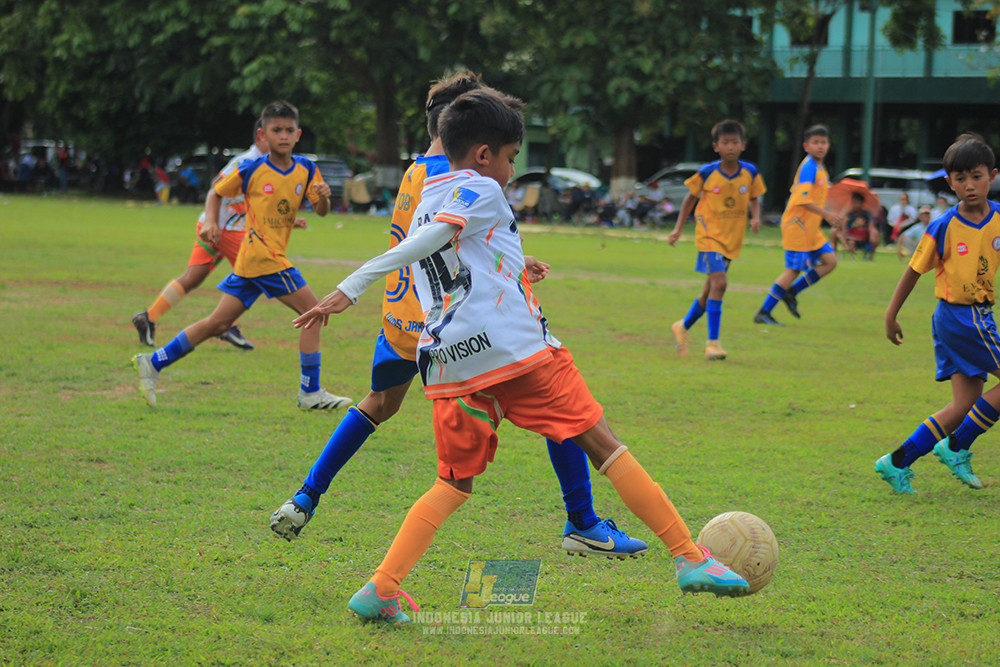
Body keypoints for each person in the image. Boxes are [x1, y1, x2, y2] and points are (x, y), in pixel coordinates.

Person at [294, 88, 750, 623]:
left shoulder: (427, 194)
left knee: (452, 484)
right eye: (512, 158)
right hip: (514, 354)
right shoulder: (482, 186)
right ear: (484, 154)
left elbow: (450, 255)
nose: (512, 170)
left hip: (448, 363)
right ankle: (689, 556)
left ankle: (381, 588)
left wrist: (512, 264)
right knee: (603, 445)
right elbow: (440, 238)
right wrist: (351, 286)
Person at [269, 73, 647, 560]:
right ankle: (583, 521)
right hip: (456, 323)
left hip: (400, 317)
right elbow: (447, 239)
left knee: (378, 403)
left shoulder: (415, 172)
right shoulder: (463, 174)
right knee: (560, 407)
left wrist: (514, 260)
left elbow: (431, 243)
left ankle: (306, 495)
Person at [130, 100, 351, 410]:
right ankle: (310, 392)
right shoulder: (251, 168)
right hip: (265, 258)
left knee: (217, 324)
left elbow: (322, 211)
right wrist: (211, 222)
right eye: (276, 130)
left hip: (251, 261)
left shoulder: (306, 169)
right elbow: (216, 192)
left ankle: (153, 362)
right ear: (263, 134)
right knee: (314, 313)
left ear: (298, 134)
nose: (283, 136)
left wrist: (325, 199)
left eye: (289, 130)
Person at [875, 134, 1000, 494]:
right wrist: (891, 314)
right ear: (949, 183)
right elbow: (913, 270)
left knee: (964, 403)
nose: (969, 185)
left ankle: (896, 461)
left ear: (992, 176)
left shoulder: (997, 218)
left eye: (976, 176)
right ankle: (957, 445)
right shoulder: (943, 225)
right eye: (960, 179)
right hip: (961, 317)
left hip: (973, 316)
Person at [131, 122, 269, 350]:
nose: (281, 141)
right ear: (259, 138)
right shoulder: (247, 161)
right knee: (255, 272)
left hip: (216, 226)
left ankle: (149, 317)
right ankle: (226, 324)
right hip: (223, 229)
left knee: (193, 277)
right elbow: (216, 186)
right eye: (275, 134)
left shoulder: (265, 163)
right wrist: (214, 222)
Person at [667, 119, 766, 360]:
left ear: (743, 145)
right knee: (720, 283)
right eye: (725, 142)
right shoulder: (707, 172)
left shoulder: (750, 172)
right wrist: (678, 228)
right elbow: (690, 199)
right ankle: (712, 344)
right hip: (709, 236)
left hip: (732, 239)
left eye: (735, 142)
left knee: (709, 291)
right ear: (716, 146)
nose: (730, 147)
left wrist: (755, 217)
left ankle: (683, 326)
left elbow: (755, 197)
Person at [754, 125, 844, 326]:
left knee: (830, 261)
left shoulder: (821, 169)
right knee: (793, 270)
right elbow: (803, 200)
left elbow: (818, 198)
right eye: (815, 142)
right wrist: (827, 215)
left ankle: (792, 292)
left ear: (829, 145)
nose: (820, 146)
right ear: (806, 146)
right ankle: (763, 312)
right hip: (798, 226)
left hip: (811, 228)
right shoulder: (809, 167)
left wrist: (833, 215)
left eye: (823, 142)